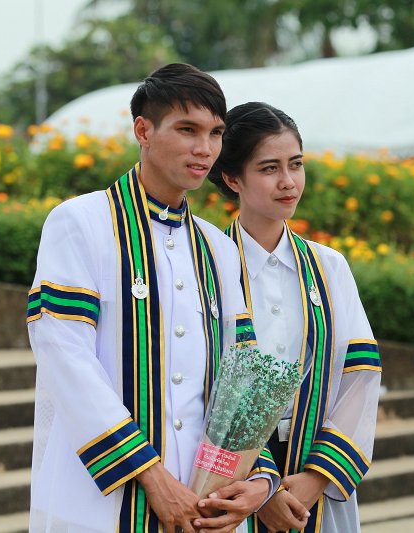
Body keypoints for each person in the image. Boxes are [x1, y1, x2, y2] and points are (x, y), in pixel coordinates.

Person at [27, 65, 279, 533]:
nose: (205, 149)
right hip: (102, 499)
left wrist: (259, 477)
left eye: (215, 133)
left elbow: (242, 379)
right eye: (188, 130)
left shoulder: (219, 248)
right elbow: (65, 357)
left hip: (208, 502)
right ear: (143, 130)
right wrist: (151, 475)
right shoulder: (81, 222)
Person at [208, 102, 382, 533]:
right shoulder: (207, 264)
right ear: (232, 178)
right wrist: (261, 485)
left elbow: (358, 372)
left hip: (313, 475)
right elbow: (203, 378)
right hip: (232, 479)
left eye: (296, 164)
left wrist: (315, 479)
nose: (288, 182)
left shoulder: (328, 267)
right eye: (269, 168)